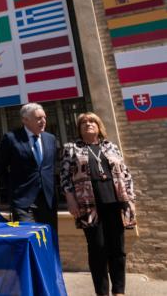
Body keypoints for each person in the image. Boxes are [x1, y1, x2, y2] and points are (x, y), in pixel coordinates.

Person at [61, 112, 135, 296]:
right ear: (79, 128)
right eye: (84, 122)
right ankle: (102, 293)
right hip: (88, 206)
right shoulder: (71, 148)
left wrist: (131, 201)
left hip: (115, 203)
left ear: (99, 125)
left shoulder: (111, 146)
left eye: (92, 121)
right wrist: (70, 200)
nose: (88, 124)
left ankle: (119, 291)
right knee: (97, 250)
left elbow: (125, 174)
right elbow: (65, 176)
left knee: (118, 248)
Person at [0, 102, 58, 233]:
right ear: (25, 120)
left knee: (49, 239)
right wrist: (13, 188)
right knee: (29, 238)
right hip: (23, 201)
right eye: (38, 118)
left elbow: (52, 166)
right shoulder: (11, 138)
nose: (43, 121)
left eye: (44, 117)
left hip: (47, 200)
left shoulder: (50, 138)